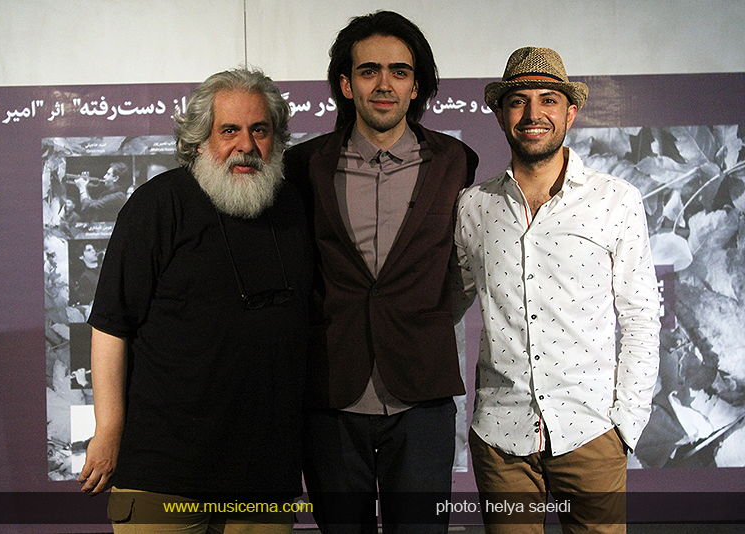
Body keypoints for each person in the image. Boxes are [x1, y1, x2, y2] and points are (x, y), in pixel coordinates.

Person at [78, 68, 313, 534]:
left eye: (260, 130)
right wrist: (108, 431)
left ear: (277, 138)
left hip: (266, 477)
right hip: (164, 474)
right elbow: (111, 327)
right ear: (200, 140)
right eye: (229, 131)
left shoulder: (294, 208)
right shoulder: (156, 206)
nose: (246, 145)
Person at [284, 10, 477, 534]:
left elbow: (460, 270)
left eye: (399, 71)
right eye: (369, 71)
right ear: (347, 85)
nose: (384, 84)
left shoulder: (456, 161)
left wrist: (423, 320)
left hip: (422, 393)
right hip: (330, 394)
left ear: (417, 85)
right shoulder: (304, 166)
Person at [454, 47, 661, 533]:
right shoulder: (474, 206)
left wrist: (625, 424)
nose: (533, 114)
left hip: (591, 434)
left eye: (548, 100)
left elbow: (640, 317)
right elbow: (448, 303)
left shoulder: (616, 200)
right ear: (501, 115)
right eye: (518, 101)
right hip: (500, 439)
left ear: (570, 113)